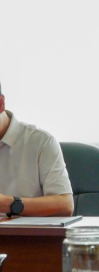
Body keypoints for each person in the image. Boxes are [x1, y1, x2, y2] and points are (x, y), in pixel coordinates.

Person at [0, 82, 74, 218]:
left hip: (24, 231)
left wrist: (7, 203)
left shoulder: (41, 142)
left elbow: (65, 206)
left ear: (0, 104)